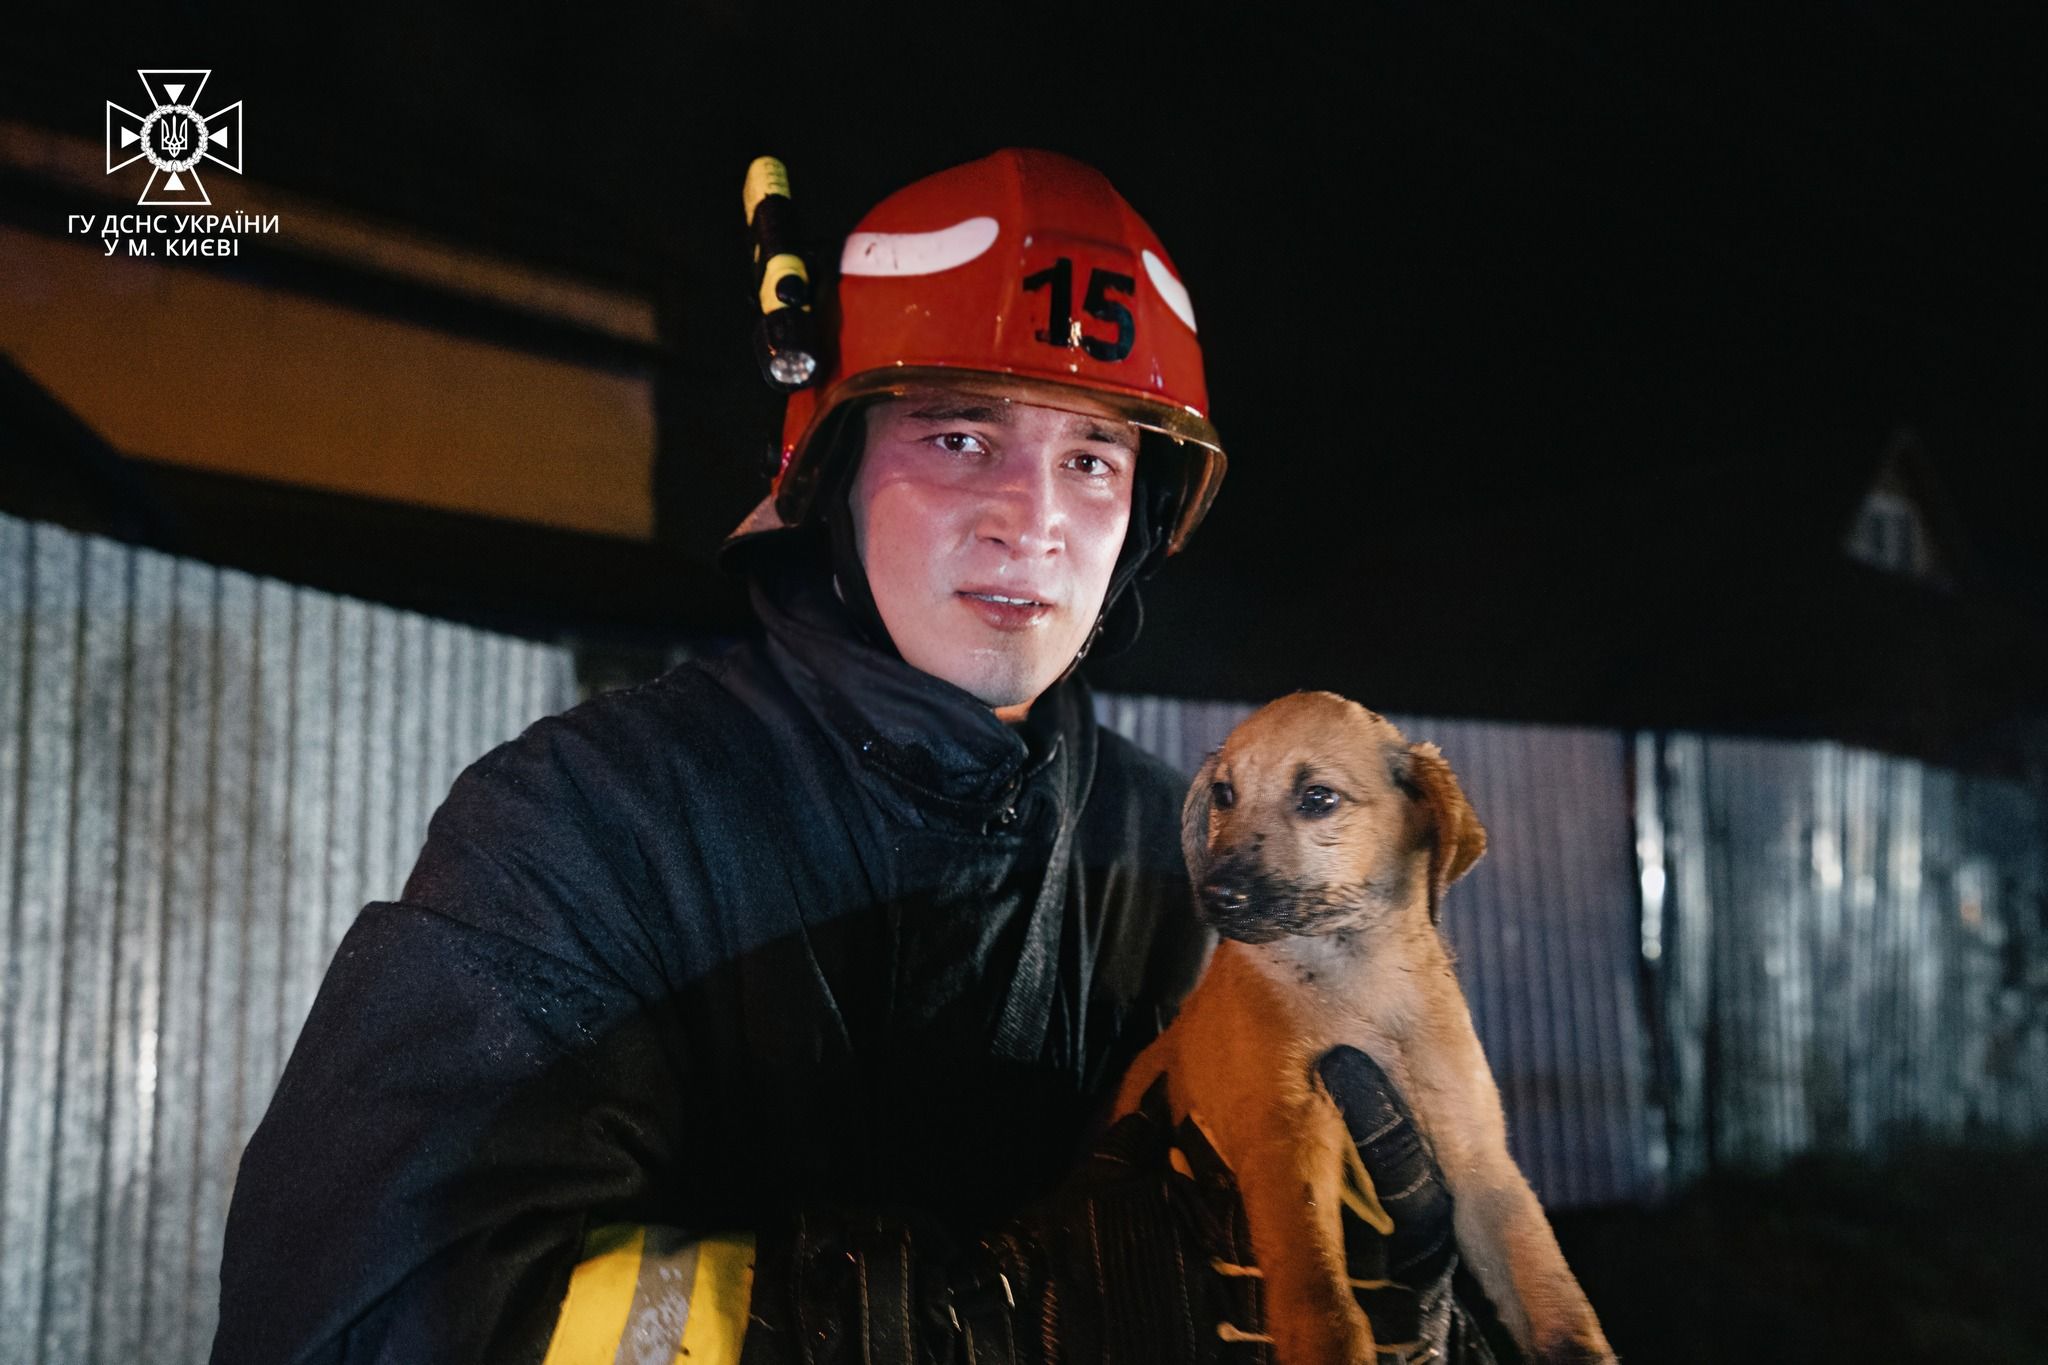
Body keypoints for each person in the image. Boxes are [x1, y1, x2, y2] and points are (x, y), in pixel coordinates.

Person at [211, 149, 1496, 1365]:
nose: (1034, 523)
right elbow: (371, 1313)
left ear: (1141, 524)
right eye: (958, 437)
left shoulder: (1168, 869)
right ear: (829, 470)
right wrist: (983, 1331)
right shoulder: (587, 824)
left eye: (1094, 458)